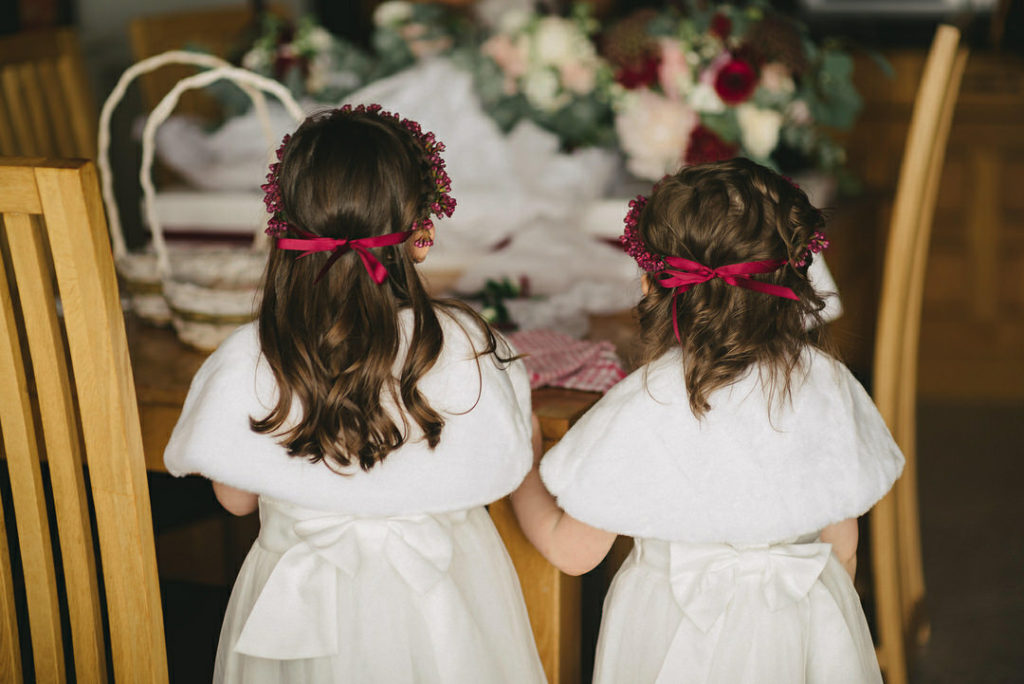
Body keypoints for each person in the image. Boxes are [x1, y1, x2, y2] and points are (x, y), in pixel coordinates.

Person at [164, 104, 545, 684]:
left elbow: (235, 500)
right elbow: (506, 460)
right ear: (420, 236)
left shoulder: (257, 353)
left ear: (285, 231)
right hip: (443, 613)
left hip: (301, 619)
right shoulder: (466, 345)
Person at [511, 158, 904, 683]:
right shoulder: (827, 384)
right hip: (804, 627)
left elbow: (572, 551)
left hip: (672, 635)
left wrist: (523, 466)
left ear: (655, 287)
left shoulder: (645, 404)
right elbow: (843, 546)